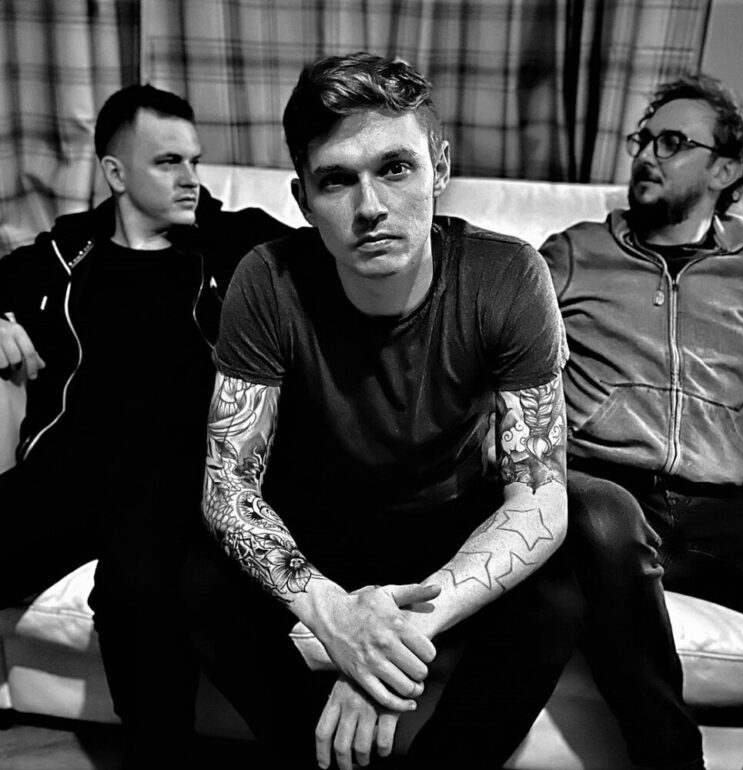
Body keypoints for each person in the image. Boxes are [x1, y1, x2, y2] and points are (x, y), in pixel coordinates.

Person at [180, 51, 582, 770]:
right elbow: (228, 487)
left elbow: (539, 497)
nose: (370, 207)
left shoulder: (507, 274)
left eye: (395, 168)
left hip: (449, 522)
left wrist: (392, 636)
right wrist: (337, 618)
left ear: (440, 169)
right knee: (194, 577)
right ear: (304, 198)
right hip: (322, 526)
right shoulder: (267, 279)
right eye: (337, 179)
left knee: (563, 583)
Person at [0, 84, 291, 767]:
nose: (192, 177)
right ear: (115, 172)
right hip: (65, 471)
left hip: (176, 479)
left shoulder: (235, 244)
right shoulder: (65, 254)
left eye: (194, 160)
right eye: (168, 162)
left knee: (137, 591)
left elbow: (333, 259)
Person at [540, 73, 743, 770]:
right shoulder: (573, 251)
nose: (646, 155)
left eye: (672, 142)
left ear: (725, 169)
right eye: (644, 139)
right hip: (608, 493)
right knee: (598, 516)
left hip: (727, 504)